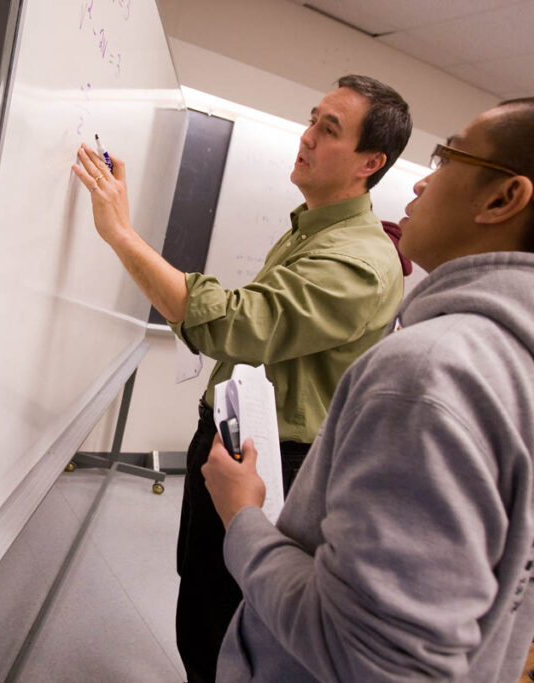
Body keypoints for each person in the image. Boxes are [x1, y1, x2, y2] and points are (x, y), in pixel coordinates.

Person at [201, 96, 534, 682]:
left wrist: (243, 517)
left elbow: (367, 657)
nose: (417, 187)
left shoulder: (434, 372)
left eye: (446, 158)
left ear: (503, 198)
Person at [72, 75, 412, 682]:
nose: (305, 137)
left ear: (370, 162)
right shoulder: (314, 227)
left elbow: (235, 325)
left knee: (225, 615)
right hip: (237, 440)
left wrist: (121, 233)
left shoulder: (357, 258)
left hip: (277, 459)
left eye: (328, 129)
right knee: (200, 585)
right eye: (312, 119)